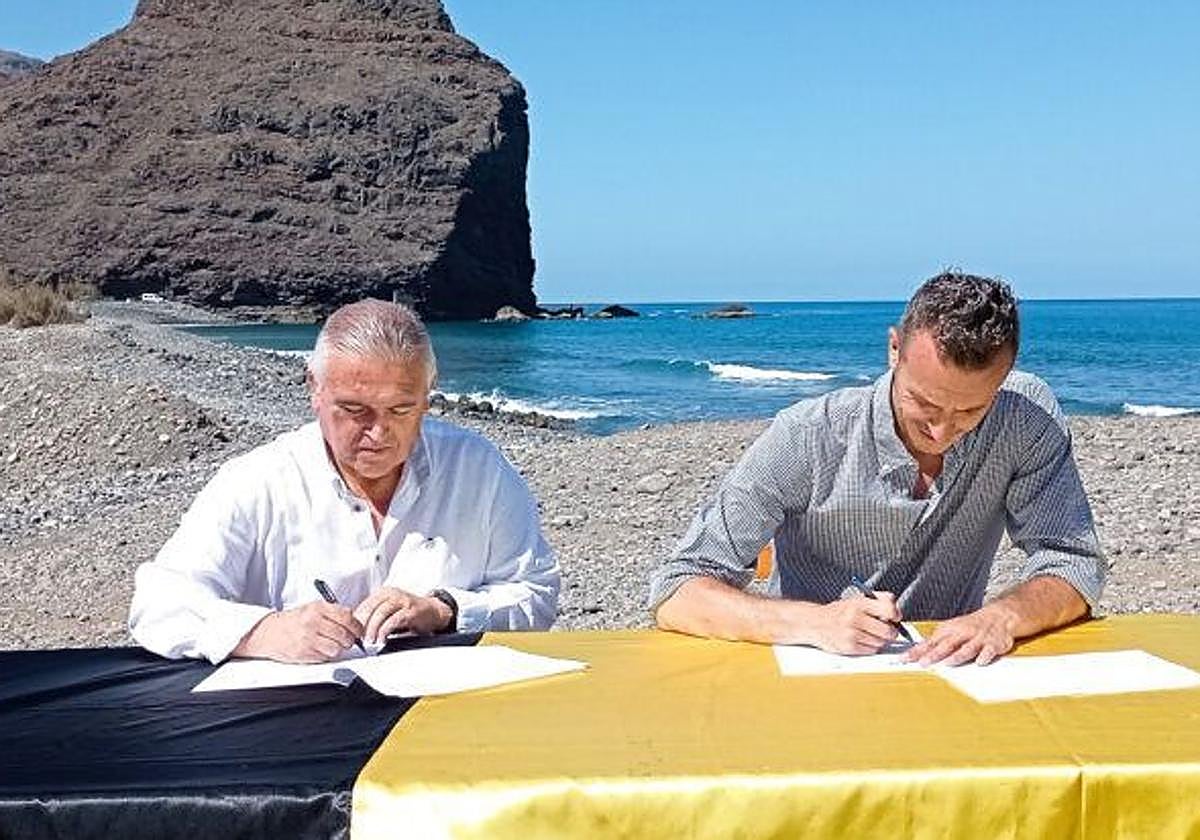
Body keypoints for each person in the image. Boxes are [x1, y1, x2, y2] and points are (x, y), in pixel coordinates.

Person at [650, 272, 1104, 666]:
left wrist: (1002, 616)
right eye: (923, 403)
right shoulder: (808, 434)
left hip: (948, 675)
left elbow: (1074, 564)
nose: (941, 431)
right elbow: (676, 591)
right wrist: (815, 622)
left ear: (1002, 381)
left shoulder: (1026, 418)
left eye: (970, 411)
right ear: (893, 349)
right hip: (809, 674)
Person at [130, 299, 560, 664]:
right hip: (291, 727)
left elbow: (536, 595)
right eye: (354, 410)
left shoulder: (477, 468)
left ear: (429, 396)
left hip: (439, 719)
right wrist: (262, 632)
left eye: (401, 410)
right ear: (314, 390)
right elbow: (158, 604)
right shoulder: (258, 479)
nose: (377, 433)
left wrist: (445, 609)